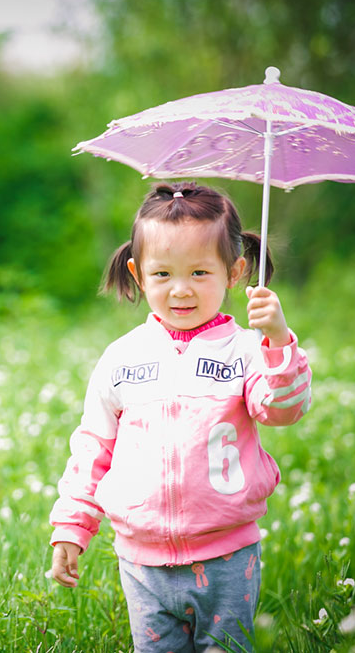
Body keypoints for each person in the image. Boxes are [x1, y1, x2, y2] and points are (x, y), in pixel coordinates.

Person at [47, 182, 312, 652]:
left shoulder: (246, 351)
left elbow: (282, 410)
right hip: (142, 562)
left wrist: (277, 340)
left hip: (227, 556)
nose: (181, 289)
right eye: (163, 274)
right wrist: (73, 526)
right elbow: (94, 447)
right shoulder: (122, 358)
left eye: (199, 272)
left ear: (235, 272)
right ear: (139, 273)